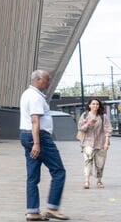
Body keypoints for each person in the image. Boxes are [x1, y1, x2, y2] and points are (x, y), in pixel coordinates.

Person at [20, 70, 68, 221]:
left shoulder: (27, 93)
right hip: (39, 137)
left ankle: (32, 211)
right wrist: (37, 143)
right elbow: (35, 120)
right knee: (59, 171)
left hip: (26, 135)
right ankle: (52, 208)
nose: (48, 82)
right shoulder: (35, 97)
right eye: (47, 79)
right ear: (38, 80)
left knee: (32, 176)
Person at [77, 98, 112, 189]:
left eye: (97, 104)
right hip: (87, 142)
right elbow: (81, 128)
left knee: (100, 163)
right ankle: (86, 181)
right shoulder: (84, 115)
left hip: (101, 142)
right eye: (93, 104)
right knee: (88, 161)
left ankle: (99, 181)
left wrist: (106, 142)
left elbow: (108, 129)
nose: (95, 105)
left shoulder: (103, 116)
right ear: (89, 105)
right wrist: (89, 123)